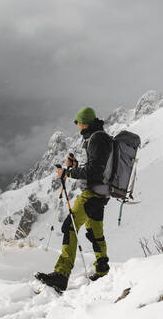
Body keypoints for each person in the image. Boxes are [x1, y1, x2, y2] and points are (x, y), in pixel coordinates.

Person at [35, 106, 112, 293]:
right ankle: (102, 269)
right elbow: (96, 166)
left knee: (69, 227)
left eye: (77, 122)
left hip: (93, 194)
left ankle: (61, 275)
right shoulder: (99, 136)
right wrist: (77, 166)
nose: (77, 126)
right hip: (102, 192)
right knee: (95, 231)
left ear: (84, 123)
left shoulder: (96, 139)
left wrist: (68, 172)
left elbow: (94, 170)